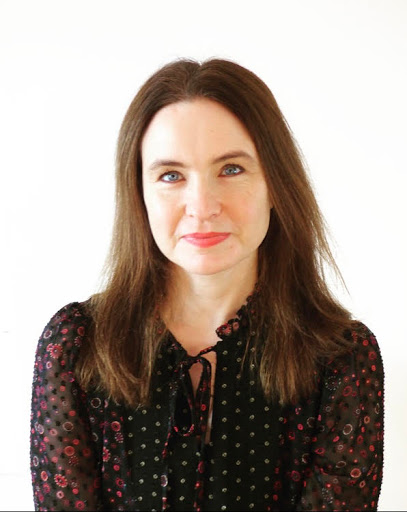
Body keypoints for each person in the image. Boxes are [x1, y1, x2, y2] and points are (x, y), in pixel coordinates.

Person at [30, 58, 384, 511]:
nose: (202, 206)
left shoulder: (342, 358)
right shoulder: (75, 345)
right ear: (139, 195)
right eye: (171, 175)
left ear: (276, 184)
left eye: (231, 169)